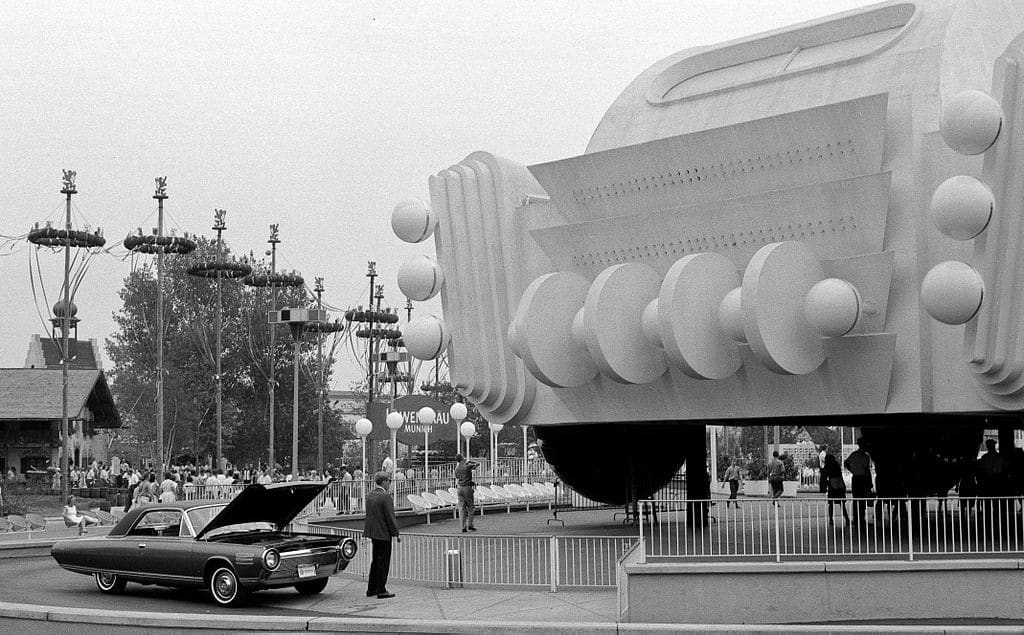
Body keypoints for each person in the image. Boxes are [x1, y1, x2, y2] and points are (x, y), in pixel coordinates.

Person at [363, 471, 400, 599]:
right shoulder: (385, 497)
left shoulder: (370, 495)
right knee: (383, 562)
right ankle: (381, 589)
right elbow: (390, 517)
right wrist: (396, 532)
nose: (390, 483)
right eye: (389, 481)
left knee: (375, 561)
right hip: (384, 533)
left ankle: (371, 588)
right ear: (384, 482)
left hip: (373, 532)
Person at [844, 438, 873, 527]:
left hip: (855, 478)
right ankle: (861, 519)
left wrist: (852, 470)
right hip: (863, 479)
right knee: (862, 500)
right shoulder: (865, 457)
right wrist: (870, 482)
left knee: (856, 499)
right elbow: (867, 470)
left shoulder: (854, 455)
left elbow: (846, 463)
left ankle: (856, 519)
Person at [821, 453, 850, 526]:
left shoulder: (827, 467)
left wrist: (825, 486)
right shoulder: (837, 466)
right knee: (842, 505)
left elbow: (824, 478)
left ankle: (831, 519)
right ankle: (847, 519)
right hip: (840, 486)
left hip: (832, 487)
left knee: (831, 504)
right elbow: (840, 476)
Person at [454, 453, 480, 532]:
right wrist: (469, 461)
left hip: (460, 488)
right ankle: (470, 525)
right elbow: (477, 464)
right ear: (462, 458)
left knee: (461, 508)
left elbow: (458, 477)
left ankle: (463, 526)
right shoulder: (467, 466)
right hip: (467, 488)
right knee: (470, 507)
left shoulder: (457, 469)